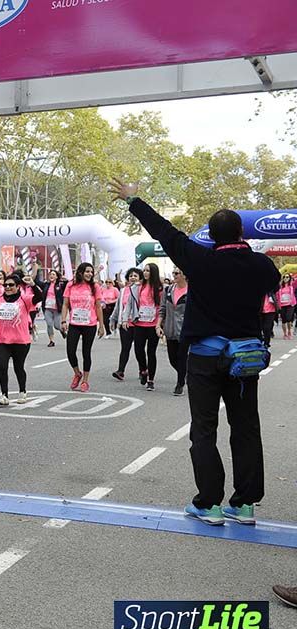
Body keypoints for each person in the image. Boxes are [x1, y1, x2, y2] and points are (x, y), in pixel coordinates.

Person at [110, 178, 280, 530]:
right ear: (241, 234)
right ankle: (245, 504)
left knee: (204, 428)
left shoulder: (198, 259)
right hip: (245, 359)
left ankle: (209, 504)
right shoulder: (262, 265)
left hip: (204, 358)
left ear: (214, 237)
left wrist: (134, 200)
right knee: (246, 427)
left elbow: (163, 230)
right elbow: (271, 288)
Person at [0, 271, 44, 406]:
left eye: (11, 285)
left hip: (21, 341)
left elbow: (39, 296)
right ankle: (4, 395)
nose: (7, 287)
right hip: (2, 341)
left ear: (18, 286)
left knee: (18, 368)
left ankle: (22, 391)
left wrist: (33, 284)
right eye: (6, 285)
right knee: (2, 367)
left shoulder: (24, 299)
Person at [60, 262, 105, 392]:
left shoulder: (94, 287)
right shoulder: (71, 285)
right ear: (80, 272)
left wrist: (101, 325)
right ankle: (77, 373)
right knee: (70, 351)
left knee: (86, 352)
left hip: (89, 324)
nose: (90, 274)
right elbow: (65, 304)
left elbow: (98, 306)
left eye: (91, 272)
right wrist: (63, 320)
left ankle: (85, 380)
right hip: (74, 323)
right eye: (87, 271)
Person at [132, 263, 163, 391]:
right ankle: (143, 369)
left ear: (153, 273)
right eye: (144, 270)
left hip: (153, 324)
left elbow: (162, 307)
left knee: (151, 352)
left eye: (148, 271)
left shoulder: (160, 288)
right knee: (138, 350)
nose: (145, 273)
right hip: (140, 323)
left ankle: (151, 380)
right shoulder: (139, 287)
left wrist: (159, 324)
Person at [158, 267, 188, 396]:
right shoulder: (168, 290)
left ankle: (180, 383)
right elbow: (162, 309)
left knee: (182, 357)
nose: (174, 275)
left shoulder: (192, 291)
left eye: (177, 273)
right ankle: (186, 373)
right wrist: (158, 325)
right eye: (173, 273)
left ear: (184, 275)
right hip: (170, 330)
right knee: (172, 359)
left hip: (185, 331)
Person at [110, 268, 142, 381]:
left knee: (139, 349)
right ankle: (121, 371)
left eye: (135, 276)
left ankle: (143, 370)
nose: (133, 277)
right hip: (125, 324)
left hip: (138, 324)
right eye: (131, 276)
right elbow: (118, 307)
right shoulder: (123, 290)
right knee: (125, 348)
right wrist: (113, 320)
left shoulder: (141, 289)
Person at [36, 269, 66, 347]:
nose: (51, 276)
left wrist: (64, 279)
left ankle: (62, 331)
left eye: (53, 274)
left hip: (57, 309)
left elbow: (68, 284)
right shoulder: (46, 285)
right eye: (50, 274)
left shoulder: (60, 285)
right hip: (47, 308)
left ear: (56, 277)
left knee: (57, 326)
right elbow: (37, 282)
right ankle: (51, 341)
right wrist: (35, 270)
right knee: (49, 325)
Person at [276, 274, 295, 340]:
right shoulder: (280, 286)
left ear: (290, 278)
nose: (285, 278)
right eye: (284, 277)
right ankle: (285, 334)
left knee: (288, 318)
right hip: (282, 305)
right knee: (283, 320)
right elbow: (277, 295)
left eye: (287, 277)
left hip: (290, 304)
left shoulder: (292, 285)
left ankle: (289, 331)